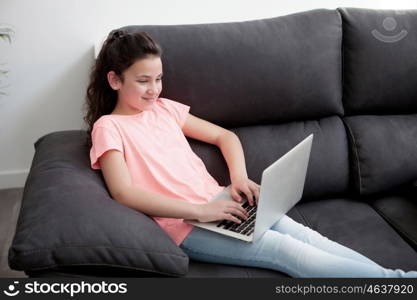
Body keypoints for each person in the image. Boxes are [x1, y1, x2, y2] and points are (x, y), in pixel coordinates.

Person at [84, 29, 417, 278]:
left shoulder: (165, 109)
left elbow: (225, 136)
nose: (154, 89)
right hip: (186, 224)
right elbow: (124, 193)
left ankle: (393, 282)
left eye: (158, 78)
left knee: (304, 234)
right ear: (114, 80)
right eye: (143, 81)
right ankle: (397, 283)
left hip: (224, 202)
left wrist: (238, 178)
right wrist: (198, 211)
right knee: (289, 252)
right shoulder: (108, 128)